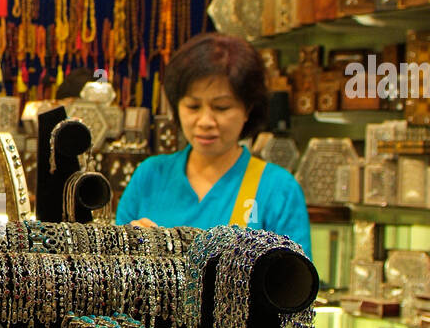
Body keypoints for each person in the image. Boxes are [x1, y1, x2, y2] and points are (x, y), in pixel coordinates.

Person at [115, 33, 312, 258]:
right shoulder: (150, 175)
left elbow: (295, 285)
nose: (205, 122)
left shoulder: (278, 189)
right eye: (193, 106)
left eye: (221, 107)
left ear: (248, 109)